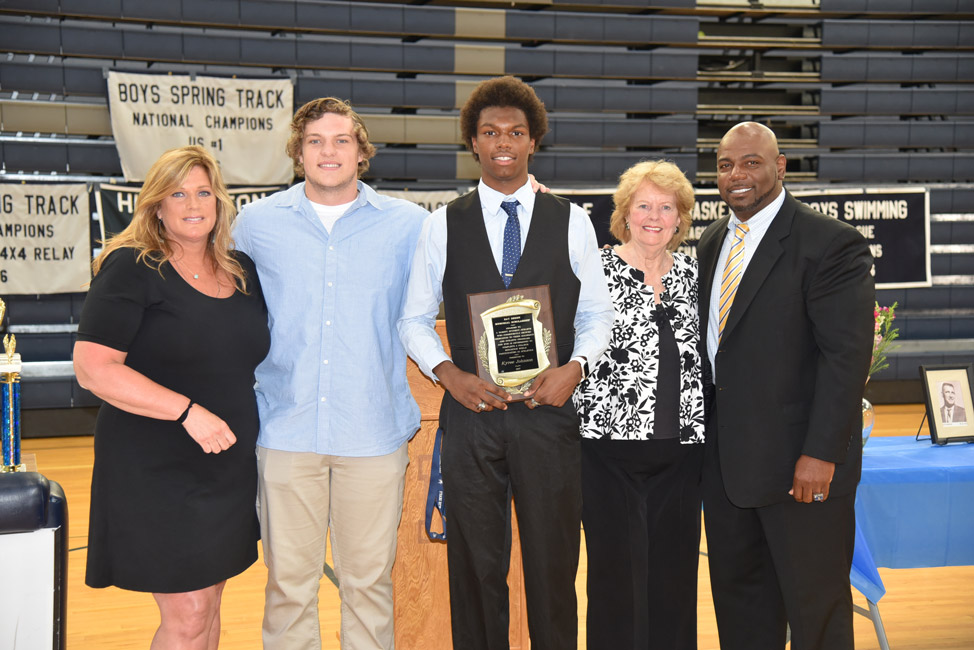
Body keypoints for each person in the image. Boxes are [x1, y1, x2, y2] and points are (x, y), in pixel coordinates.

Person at [398, 75, 614, 650]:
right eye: (490, 131)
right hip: (472, 416)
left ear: (533, 142)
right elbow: (412, 320)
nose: (503, 142)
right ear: (473, 141)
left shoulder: (570, 220)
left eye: (515, 132)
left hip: (549, 415)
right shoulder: (441, 223)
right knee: (475, 568)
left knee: (553, 565)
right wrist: (449, 375)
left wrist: (578, 367)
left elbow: (597, 313)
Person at [232, 97, 429, 650]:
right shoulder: (256, 224)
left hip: (372, 432)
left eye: (342, 140)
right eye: (315, 140)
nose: (328, 151)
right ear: (297, 153)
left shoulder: (409, 225)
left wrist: (530, 203)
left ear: (361, 153)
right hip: (286, 429)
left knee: (368, 584)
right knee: (289, 587)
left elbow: (464, 275)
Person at [74, 146, 270, 650]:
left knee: (207, 608)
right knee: (186, 615)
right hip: (155, 465)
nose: (192, 204)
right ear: (156, 206)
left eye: (203, 191)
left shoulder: (242, 271)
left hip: (226, 465)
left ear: (220, 201)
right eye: (177, 193)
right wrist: (186, 411)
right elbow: (94, 370)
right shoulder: (131, 268)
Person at [696, 122, 874, 650]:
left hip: (802, 474)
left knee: (817, 616)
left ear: (780, 167)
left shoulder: (830, 243)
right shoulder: (711, 242)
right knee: (743, 614)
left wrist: (821, 454)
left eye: (751, 162)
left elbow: (845, 360)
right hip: (728, 475)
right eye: (726, 165)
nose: (737, 175)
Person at [573, 160, 705, 650]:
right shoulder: (594, 270)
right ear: (625, 214)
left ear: (680, 218)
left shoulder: (695, 274)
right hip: (608, 453)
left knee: (674, 581)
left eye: (666, 207)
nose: (654, 216)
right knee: (614, 580)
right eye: (643, 206)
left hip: (682, 455)